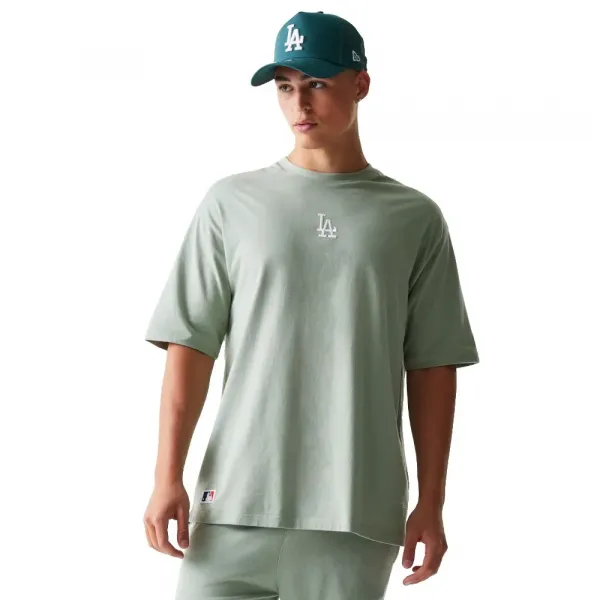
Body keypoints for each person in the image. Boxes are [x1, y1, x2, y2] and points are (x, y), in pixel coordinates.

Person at [143, 10, 479, 599]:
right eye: (285, 86)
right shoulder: (231, 203)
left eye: (318, 83)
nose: (299, 103)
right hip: (232, 506)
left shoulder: (414, 218)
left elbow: (432, 366)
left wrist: (432, 501)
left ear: (361, 84)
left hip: (354, 516)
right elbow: (190, 346)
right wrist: (165, 475)